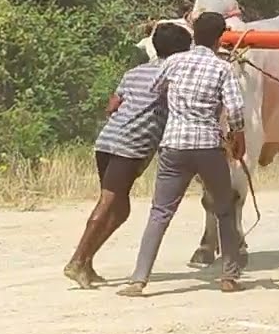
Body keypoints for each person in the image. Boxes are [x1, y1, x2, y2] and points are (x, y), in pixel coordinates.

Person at [117, 12, 247, 297]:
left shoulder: (174, 62)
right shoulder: (222, 68)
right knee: (224, 209)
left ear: (193, 34)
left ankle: (139, 280)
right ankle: (229, 276)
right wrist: (237, 136)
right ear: (219, 38)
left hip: (174, 145)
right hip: (208, 146)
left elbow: (155, 88)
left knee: (160, 213)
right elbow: (236, 110)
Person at [63, 22, 192, 289]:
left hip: (107, 141)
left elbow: (112, 106)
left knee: (120, 208)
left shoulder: (134, 72)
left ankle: (86, 262)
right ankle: (77, 261)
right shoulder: (173, 78)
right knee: (109, 202)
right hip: (130, 147)